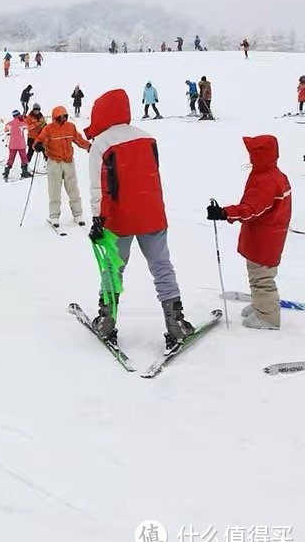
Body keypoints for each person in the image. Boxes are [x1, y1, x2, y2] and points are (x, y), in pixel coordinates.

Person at [85, 88, 194, 348]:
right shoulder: (147, 137)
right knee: (161, 266)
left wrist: (98, 219)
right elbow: (151, 175)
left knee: (113, 267)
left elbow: (100, 186)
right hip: (152, 213)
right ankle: (176, 322)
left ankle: (106, 320)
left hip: (119, 218)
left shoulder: (101, 143)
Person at [207, 136, 291, 330]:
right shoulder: (270, 174)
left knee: (262, 278)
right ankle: (261, 305)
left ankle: (268, 318)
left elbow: (252, 209)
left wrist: (224, 213)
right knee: (257, 274)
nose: (251, 157)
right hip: (264, 235)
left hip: (265, 238)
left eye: (254, 154)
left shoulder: (267, 180)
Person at [35, 106, 90, 227]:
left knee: (73, 189)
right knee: (54, 190)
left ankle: (78, 214)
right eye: (59, 117)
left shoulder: (70, 127)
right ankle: (54, 216)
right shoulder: (48, 129)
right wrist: (38, 145)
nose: (62, 119)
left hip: (68, 162)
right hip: (54, 162)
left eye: (64, 116)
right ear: (55, 117)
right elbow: (40, 139)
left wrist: (88, 146)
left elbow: (78, 139)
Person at [3, 110, 32, 181]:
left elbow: (6, 129)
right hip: (21, 145)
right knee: (24, 158)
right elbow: (28, 126)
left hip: (12, 145)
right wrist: (23, 119)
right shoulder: (22, 123)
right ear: (19, 115)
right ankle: (24, 172)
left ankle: (6, 172)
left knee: (11, 158)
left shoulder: (10, 123)